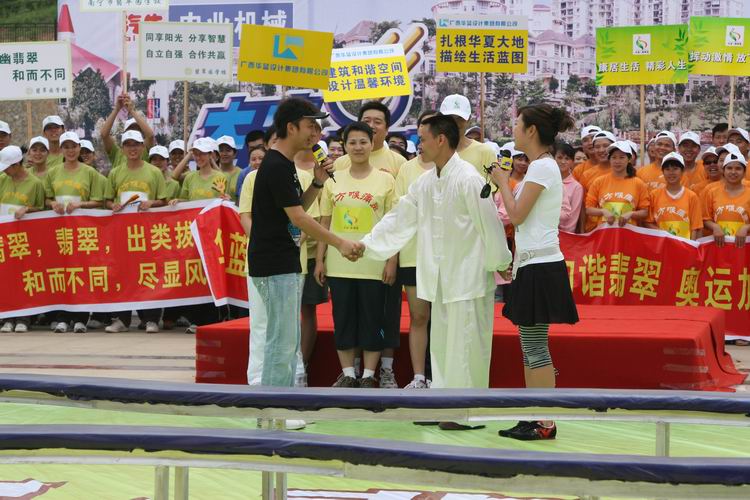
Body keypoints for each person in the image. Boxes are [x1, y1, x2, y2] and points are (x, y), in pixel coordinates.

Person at [360, 114, 511, 404]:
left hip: (468, 279)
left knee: (466, 347)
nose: (419, 145)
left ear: (441, 140)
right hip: (440, 279)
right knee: (441, 347)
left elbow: (490, 224)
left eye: (423, 139)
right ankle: (445, 404)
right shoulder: (426, 182)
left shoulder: (469, 178)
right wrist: (366, 245)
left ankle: (465, 409)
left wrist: (501, 262)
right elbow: (400, 217)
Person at [247, 97, 361, 389]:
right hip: (274, 263)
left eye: (317, 127)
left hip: (284, 261)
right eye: (311, 126)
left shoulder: (284, 164)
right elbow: (298, 218)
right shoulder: (275, 165)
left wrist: (318, 182)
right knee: (281, 340)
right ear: (291, 127)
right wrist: (340, 243)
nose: (316, 133)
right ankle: (273, 405)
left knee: (287, 338)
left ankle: (278, 403)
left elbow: (295, 207)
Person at [491, 104, 579, 441]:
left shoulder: (542, 167)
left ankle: (545, 421)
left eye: (517, 123)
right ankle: (534, 415)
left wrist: (502, 181)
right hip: (532, 264)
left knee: (535, 348)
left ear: (531, 131)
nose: (513, 128)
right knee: (531, 347)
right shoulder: (540, 167)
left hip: (541, 266)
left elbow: (516, 215)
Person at [315, 122, 396, 388]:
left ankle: (369, 376)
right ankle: (348, 374)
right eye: (352, 142)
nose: (358, 147)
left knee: (373, 320)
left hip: (373, 264)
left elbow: (392, 226)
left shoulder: (386, 180)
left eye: (363, 141)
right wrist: (320, 259)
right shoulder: (333, 179)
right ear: (344, 146)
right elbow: (324, 223)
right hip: (339, 264)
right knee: (343, 319)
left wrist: (391, 260)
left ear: (372, 144)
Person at [104, 130, 167, 334]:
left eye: (136, 144)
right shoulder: (115, 173)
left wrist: (151, 203)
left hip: (147, 232)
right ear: (122, 149)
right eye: (128, 145)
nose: (132, 148)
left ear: (143, 147)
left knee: (148, 273)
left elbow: (164, 201)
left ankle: (151, 319)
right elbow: (107, 200)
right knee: (122, 273)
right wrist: (112, 205)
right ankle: (121, 319)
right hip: (122, 233)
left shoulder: (154, 172)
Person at [42, 131, 106, 333]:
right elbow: (46, 198)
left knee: (81, 272)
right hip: (60, 232)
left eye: (74, 146)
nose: (70, 150)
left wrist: (80, 205)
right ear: (61, 150)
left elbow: (98, 201)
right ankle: (62, 317)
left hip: (83, 231)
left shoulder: (90, 173)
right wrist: (53, 204)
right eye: (66, 147)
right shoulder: (53, 172)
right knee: (62, 272)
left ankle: (80, 318)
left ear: (79, 148)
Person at [393, 110, 436, 388]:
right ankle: (419, 377)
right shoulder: (407, 170)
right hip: (413, 255)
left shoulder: (453, 167)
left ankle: (441, 375)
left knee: (443, 319)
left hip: (445, 256)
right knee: (419, 316)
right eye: (421, 132)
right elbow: (399, 214)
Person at [0, 145, 45, 333]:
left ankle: (24, 318)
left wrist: (27, 209)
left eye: (7, 167)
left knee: (24, 277)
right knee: (6, 277)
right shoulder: (3, 179)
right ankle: (7, 317)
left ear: (17, 164)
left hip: (24, 239)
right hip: (4, 237)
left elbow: (42, 209)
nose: (4, 170)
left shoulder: (35, 184)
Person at [586, 141, 650, 228]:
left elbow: (644, 212)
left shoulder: (638, 183)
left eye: (622, 157)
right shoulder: (599, 182)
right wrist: (603, 212)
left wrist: (631, 214)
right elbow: (588, 209)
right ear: (609, 159)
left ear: (629, 159)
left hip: (629, 232)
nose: (617, 161)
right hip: (605, 232)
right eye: (614, 157)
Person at [333, 101, 406, 177]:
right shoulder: (340, 163)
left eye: (377, 122)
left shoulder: (399, 163)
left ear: (387, 129)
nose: (371, 126)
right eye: (366, 121)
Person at [643, 152, 703, 240]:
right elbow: (648, 222)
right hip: (661, 244)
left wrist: (691, 245)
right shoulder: (654, 195)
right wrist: (664, 234)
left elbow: (696, 226)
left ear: (682, 171)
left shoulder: (691, 196)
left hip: (684, 245)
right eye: (667, 169)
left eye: (675, 169)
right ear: (662, 172)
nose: (671, 173)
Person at [439, 94, 497, 175]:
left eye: (460, 118)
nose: (455, 123)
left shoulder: (486, 153)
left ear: (469, 119)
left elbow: (494, 182)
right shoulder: (431, 153)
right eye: (450, 118)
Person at [703, 152, 750, 248]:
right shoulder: (712, 193)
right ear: (723, 171)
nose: (733, 172)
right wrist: (715, 227)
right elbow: (705, 219)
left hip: (745, 247)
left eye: (738, 168)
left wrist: (746, 227)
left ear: (744, 172)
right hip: (718, 246)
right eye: (729, 168)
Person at [100, 95, 155, 170]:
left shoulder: (143, 151)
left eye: (138, 130)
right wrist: (116, 109)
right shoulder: (117, 153)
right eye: (131, 129)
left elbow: (150, 136)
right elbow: (104, 135)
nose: (133, 133)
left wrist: (131, 111)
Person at [554, 141, 584, 233]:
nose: (563, 162)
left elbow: (573, 219)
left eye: (567, 158)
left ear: (572, 162)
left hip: (564, 235)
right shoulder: (547, 181)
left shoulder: (577, 187)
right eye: (559, 157)